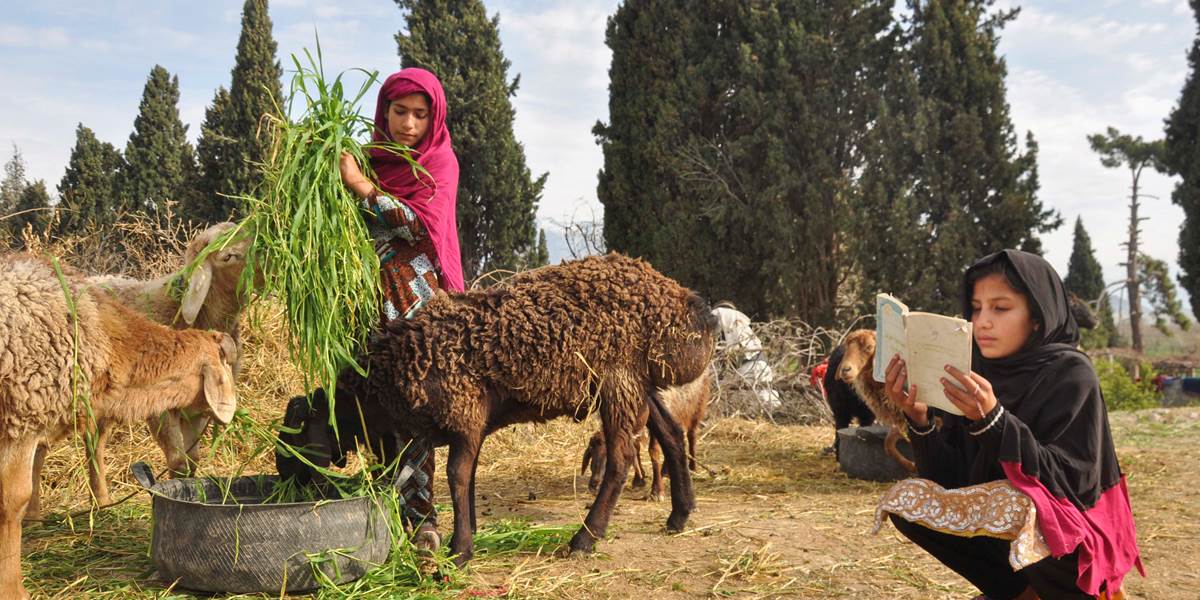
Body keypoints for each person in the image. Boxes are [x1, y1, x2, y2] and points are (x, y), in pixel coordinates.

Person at [883, 250, 1142, 600]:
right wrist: (920, 420)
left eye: (1000, 308)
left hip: (1079, 538)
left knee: (1013, 501)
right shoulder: (976, 373)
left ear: (1036, 317)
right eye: (976, 308)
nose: (982, 321)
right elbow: (951, 480)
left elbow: (1072, 483)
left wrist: (995, 421)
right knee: (907, 499)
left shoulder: (1071, 374)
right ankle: (1017, 592)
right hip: (1014, 543)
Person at [339, 67, 463, 552]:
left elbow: (415, 226)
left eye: (419, 114)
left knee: (415, 410)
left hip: (417, 307)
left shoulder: (440, 162)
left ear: (433, 119)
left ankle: (422, 522)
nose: (409, 124)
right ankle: (381, 513)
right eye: (399, 112)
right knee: (376, 406)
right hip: (369, 304)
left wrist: (363, 190)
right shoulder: (370, 161)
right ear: (383, 112)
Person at [712, 301, 782, 412]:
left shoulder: (718, 314)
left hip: (746, 369)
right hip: (762, 366)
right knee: (768, 402)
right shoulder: (741, 322)